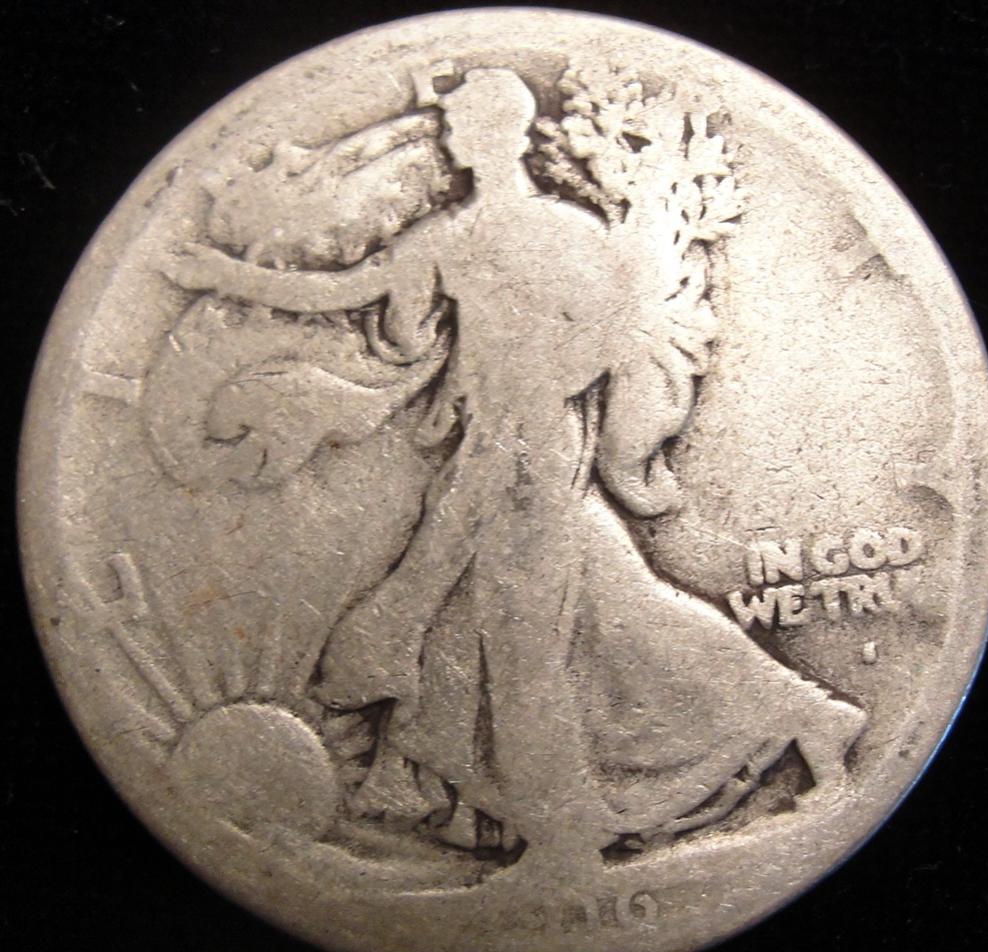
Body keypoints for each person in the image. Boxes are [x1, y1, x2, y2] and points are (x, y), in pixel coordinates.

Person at [169, 68, 866, 863]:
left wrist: (545, 387)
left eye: (462, 122)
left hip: (532, 456)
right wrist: (227, 276)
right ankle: (812, 715)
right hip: (492, 450)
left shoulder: (561, 232)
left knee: (520, 647)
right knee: (625, 610)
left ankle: (566, 845)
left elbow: (609, 328)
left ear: (492, 131)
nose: (453, 135)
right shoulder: (459, 236)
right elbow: (353, 289)